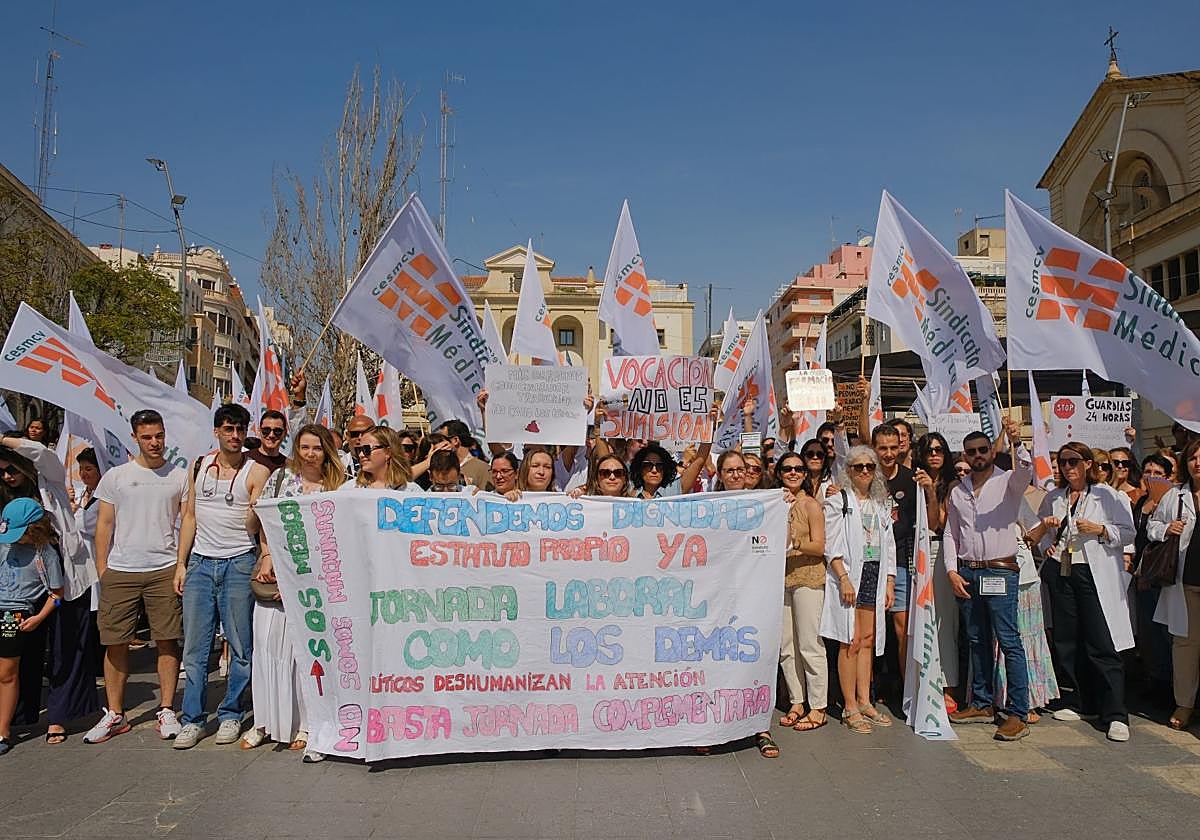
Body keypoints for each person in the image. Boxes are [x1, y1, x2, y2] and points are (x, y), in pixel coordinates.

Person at [84, 410, 188, 744]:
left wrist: (181, 564)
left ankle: (167, 708)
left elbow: (188, 522)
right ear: (135, 438)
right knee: (115, 643)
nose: (155, 442)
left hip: (164, 569)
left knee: (167, 640)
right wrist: (103, 569)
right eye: (147, 437)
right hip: (121, 569)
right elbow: (104, 524)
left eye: (159, 435)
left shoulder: (180, 476)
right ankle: (115, 714)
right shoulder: (116, 476)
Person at [243, 424, 346, 759]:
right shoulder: (280, 479)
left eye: (317, 448)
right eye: (304, 447)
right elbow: (263, 524)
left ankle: (305, 724)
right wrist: (268, 556)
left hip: (316, 580)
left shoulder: (337, 486)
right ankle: (266, 722)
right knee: (269, 647)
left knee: (307, 654)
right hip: (276, 571)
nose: (310, 454)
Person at [172, 403, 266, 749]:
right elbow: (190, 517)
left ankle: (230, 714)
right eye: (229, 429)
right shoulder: (199, 466)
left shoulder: (255, 471)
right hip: (200, 563)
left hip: (239, 562)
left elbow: (256, 524)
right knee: (195, 648)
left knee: (240, 646)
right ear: (217, 431)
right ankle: (192, 719)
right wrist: (181, 563)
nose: (235, 436)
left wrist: (255, 516)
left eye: (240, 430)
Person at [1033, 442, 1136, 742]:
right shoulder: (1054, 497)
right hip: (1064, 571)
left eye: (1074, 461)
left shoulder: (1108, 496)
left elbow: (1128, 533)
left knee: (1101, 641)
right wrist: (1047, 542)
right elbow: (1042, 533)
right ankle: (1084, 700)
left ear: (1088, 463)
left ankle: (1115, 712)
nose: (1068, 467)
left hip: (1094, 572)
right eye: (1063, 462)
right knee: (1069, 639)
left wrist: (1101, 530)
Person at [0, 431, 98, 739]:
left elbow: (41, 452)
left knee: (64, 646)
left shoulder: (49, 479)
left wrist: (3, 438)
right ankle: (20, 713)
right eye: (1, 471)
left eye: (12, 469)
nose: (7, 476)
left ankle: (59, 715)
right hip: (20, 583)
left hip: (63, 571)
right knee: (22, 648)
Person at [943, 419, 1033, 742]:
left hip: (999, 570)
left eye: (983, 449)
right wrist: (952, 571)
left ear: (991, 452)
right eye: (972, 451)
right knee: (977, 638)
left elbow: (1026, 471)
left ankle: (1018, 711)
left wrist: (1016, 442)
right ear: (964, 455)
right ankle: (981, 702)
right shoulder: (958, 491)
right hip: (969, 570)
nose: (979, 455)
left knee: (1009, 641)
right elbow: (951, 534)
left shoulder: (1008, 481)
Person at [821, 445, 896, 734]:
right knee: (849, 640)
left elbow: (888, 545)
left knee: (867, 638)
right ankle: (849, 705)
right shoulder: (838, 501)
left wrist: (889, 581)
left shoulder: (879, 503)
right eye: (858, 467)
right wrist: (842, 578)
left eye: (869, 466)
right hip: (850, 575)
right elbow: (832, 545)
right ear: (849, 471)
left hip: (874, 575)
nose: (864, 471)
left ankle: (865, 700)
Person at [0, 498, 64, 756]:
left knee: (6, 672)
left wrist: (38, 618)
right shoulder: (3, 545)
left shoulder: (44, 552)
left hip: (15, 614)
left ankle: (3, 729)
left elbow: (56, 594)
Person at [775, 452, 828, 733]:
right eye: (787, 469)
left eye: (798, 468)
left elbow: (819, 546)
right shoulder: (776, 503)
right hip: (781, 579)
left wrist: (794, 541)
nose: (793, 472)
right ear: (780, 473)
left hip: (808, 578)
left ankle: (818, 706)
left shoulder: (811, 505)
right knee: (786, 646)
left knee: (809, 643)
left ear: (805, 474)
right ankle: (797, 701)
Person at [1149, 438, 1200, 729]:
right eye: (1193, 457)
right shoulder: (1175, 496)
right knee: (1185, 644)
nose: (1198, 463)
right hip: (1187, 581)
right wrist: (1167, 528)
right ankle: (1184, 703)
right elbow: (1152, 526)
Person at [914, 432, 959, 712]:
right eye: (929, 450)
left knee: (943, 623)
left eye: (939, 449)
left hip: (939, 551)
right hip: (914, 553)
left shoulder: (953, 486)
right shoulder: (912, 479)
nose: (934, 454)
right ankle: (920, 681)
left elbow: (937, 524)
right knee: (920, 623)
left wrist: (931, 492)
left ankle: (947, 685)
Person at [872, 423, 916, 687]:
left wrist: (930, 491)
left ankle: (907, 690)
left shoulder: (911, 479)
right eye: (882, 448)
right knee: (867, 633)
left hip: (900, 563)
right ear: (874, 449)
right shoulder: (864, 475)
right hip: (869, 563)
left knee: (903, 631)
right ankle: (868, 691)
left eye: (892, 448)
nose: (888, 454)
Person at [1133, 453, 1176, 706]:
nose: (1151, 477)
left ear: (1168, 477)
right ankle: (1156, 681)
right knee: (1150, 633)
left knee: (1168, 632)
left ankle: (1173, 684)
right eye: (1147, 472)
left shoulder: (1174, 501)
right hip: (1144, 574)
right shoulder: (1141, 502)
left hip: (1166, 574)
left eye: (1157, 473)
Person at [351, 426, 417, 491]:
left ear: (388, 452)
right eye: (359, 449)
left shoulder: (411, 491)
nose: (361, 455)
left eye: (366, 449)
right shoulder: (349, 489)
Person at [437, 419, 491, 489]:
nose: (438, 444)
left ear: (456, 440)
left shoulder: (483, 468)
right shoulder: (440, 467)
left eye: (441, 440)